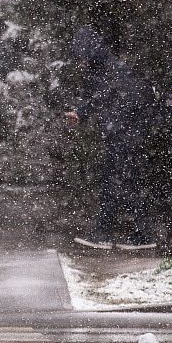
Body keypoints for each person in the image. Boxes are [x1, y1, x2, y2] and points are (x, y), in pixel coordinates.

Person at [65, 28, 160, 251]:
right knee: (122, 182)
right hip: (123, 132)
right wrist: (82, 112)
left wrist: (114, 123)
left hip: (125, 134)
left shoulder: (109, 69)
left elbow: (111, 97)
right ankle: (126, 233)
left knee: (119, 182)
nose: (80, 62)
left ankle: (124, 234)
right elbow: (102, 97)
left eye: (81, 56)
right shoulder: (105, 67)